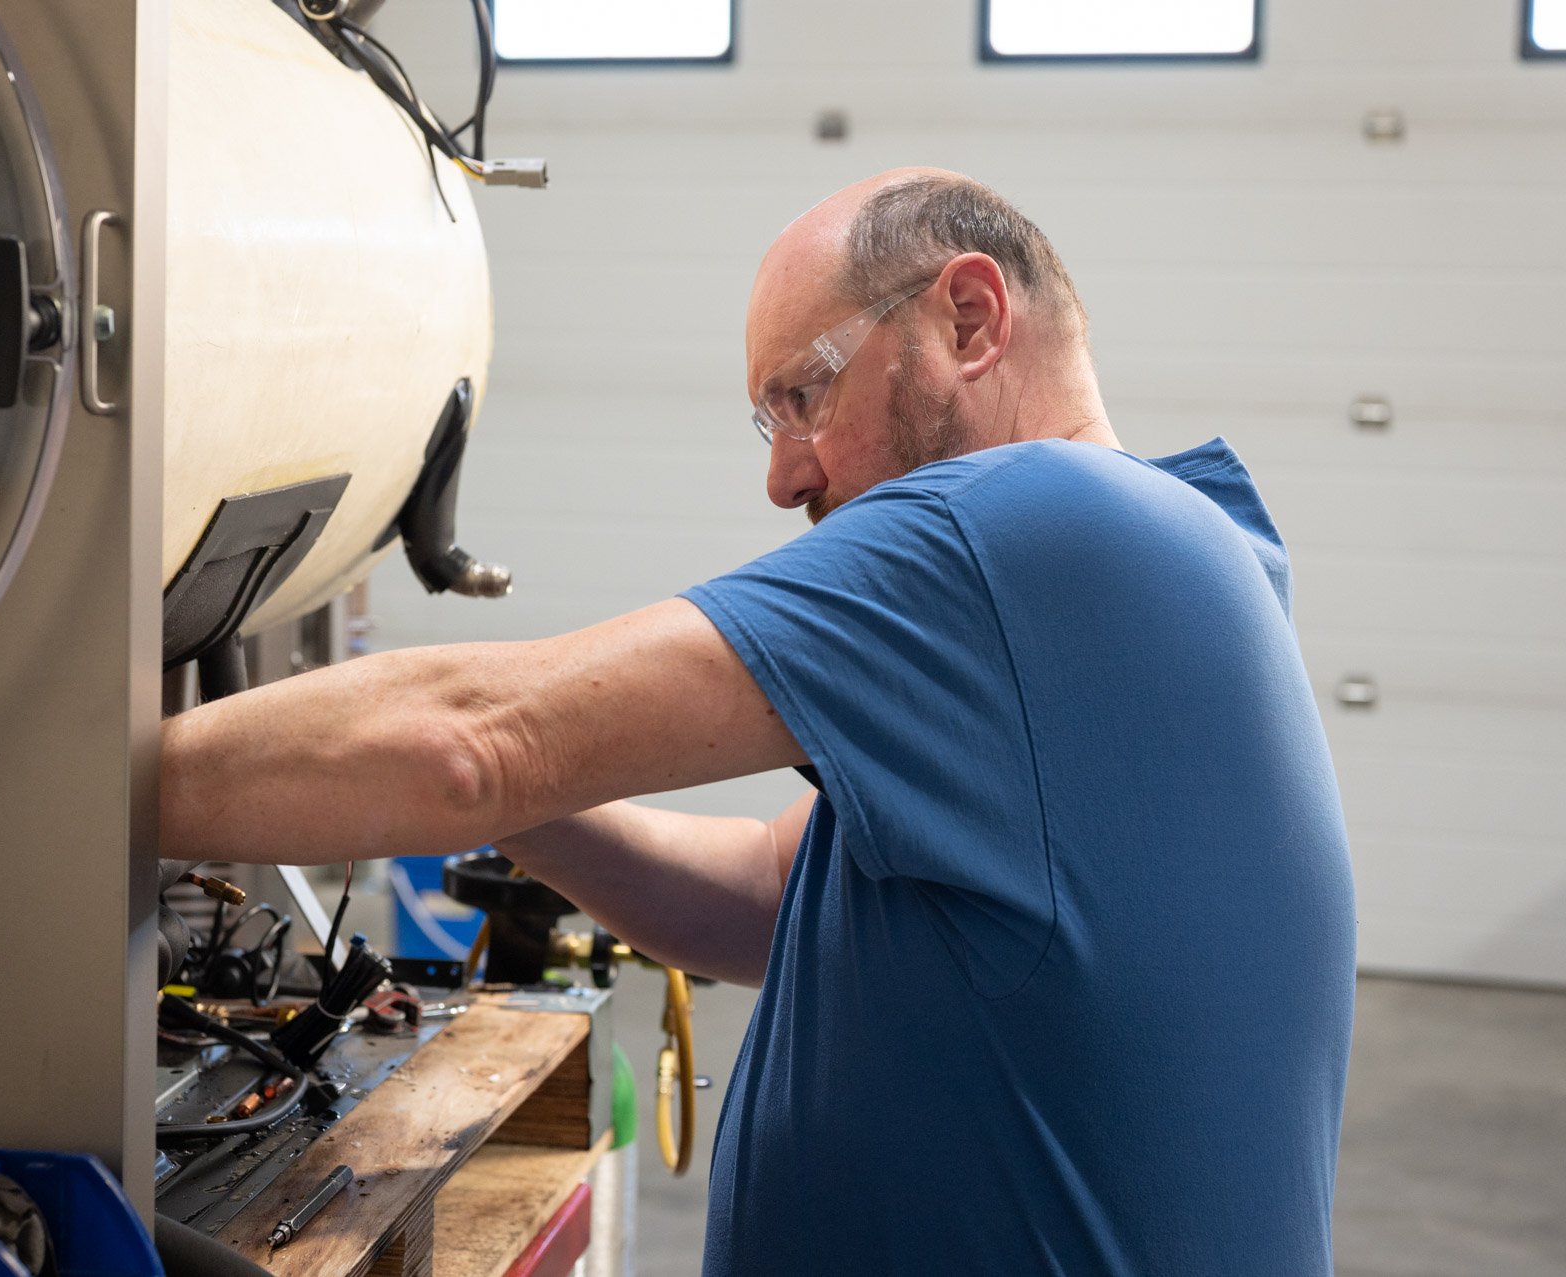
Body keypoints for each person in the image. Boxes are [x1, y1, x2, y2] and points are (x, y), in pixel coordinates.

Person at [160, 168, 1356, 1274]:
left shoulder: (1027, 524)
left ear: (973, 320)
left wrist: (55, 782)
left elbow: (476, 743)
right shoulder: (1181, 549)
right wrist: (530, 807)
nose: (784, 478)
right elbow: (764, 891)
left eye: (805, 393)